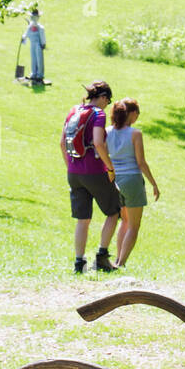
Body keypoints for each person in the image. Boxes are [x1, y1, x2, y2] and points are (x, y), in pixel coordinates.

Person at [60, 81, 121, 274]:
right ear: (103, 97)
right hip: (94, 171)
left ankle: (79, 262)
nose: (107, 104)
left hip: (74, 173)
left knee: (82, 218)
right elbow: (97, 142)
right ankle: (102, 257)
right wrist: (109, 168)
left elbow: (62, 143)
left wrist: (70, 166)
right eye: (108, 100)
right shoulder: (98, 114)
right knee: (114, 211)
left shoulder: (74, 111)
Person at [107, 98, 160, 269]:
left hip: (114, 180)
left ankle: (116, 260)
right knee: (134, 226)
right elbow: (141, 163)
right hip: (132, 180)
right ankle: (121, 263)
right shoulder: (135, 134)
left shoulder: (107, 132)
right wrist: (154, 183)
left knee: (124, 221)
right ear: (132, 114)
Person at [22, 9, 46, 81]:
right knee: (33, 58)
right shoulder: (29, 27)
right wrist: (23, 38)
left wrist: (43, 43)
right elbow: (26, 34)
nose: (34, 19)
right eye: (33, 17)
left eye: (36, 17)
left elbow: (42, 36)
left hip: (38, 44)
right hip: (32, 44)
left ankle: (40, 75)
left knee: (39, 59)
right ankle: (33, 73)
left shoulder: (40, 28)